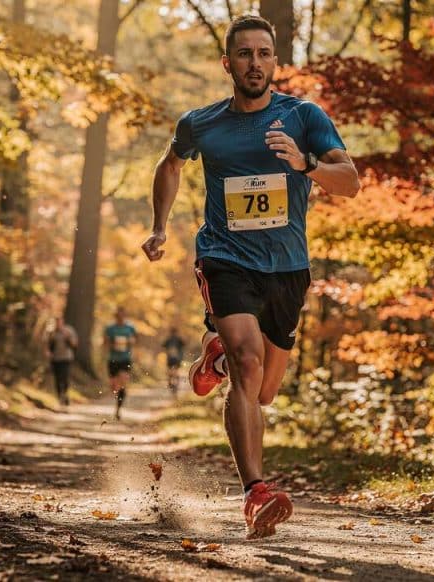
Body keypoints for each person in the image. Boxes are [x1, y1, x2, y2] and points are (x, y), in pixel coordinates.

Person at [140, 15, 360, 539]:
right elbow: (170, 165)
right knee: (246, 363)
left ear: (275, 62)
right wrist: (159, 227)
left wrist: (305, 165)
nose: (254, 63)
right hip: (224, 256)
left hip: (287, 268)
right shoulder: (202, 123)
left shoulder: (303, 116)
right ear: (228, 63)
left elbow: (349, 182)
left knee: (262, 392)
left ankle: (213, 353)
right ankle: (255, 493)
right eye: (244, 54)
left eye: (264, 54)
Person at [104, 308, 136, 420]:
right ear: (116, 316)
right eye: (118, 316)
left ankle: (118, 409)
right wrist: (112, 344)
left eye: (122, 316)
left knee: (122, 383)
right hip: (113, 359)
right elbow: (105, 343)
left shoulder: (130, 328)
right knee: (114, 386)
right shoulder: (110, 328)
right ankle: (118, 396)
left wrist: (129, 342)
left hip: (125, 359)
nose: (121, 318)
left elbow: (135, 340)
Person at [45, 316, 78, 406]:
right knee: (57, 378)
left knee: (65, 377)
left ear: (62, 322)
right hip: (55, 359)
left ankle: (66, 395)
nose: (58, 324)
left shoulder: (69, 330)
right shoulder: (51, 332)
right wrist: (47, 352)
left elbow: (75, 344)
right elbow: (48, 344)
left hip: (66, 358)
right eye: (56, 322)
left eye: (59, 322)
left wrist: (67, 337)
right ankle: (60, 396)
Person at [162, 327, 186, 395]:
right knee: (176, 371)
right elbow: (184, 344)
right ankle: (175, 384)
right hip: (177, 358)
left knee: (170, 371)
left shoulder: (169, 339)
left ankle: (171, 383)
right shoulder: (178, 339)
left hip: (171, 358)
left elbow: (163, 345)